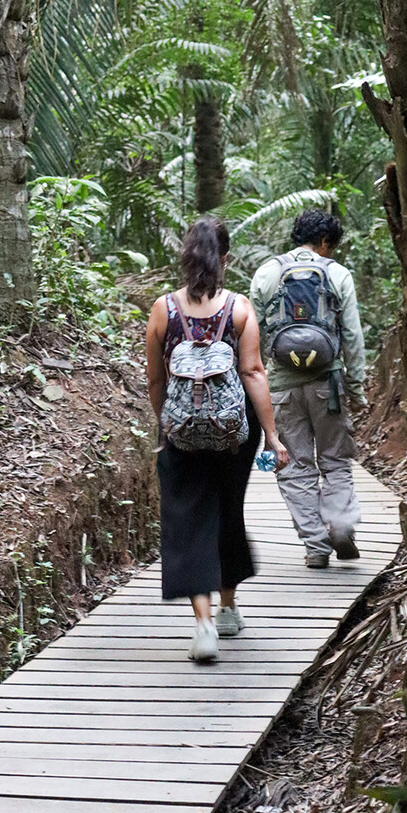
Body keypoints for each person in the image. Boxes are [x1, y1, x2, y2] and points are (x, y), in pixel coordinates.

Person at [146, 217, 288, 663]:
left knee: (188, 520)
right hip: (233, 433)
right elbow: (253, 372)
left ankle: (203, 625)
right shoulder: (239, 309)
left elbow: (155, 378)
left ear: (186, 257)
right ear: (224, 259)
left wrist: (168, 423)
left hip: (181, 433)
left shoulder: (162, 309)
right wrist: (272, 436)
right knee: (228, 510)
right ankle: (228, 607)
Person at [249, 208, 368, 568]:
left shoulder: (266, 273)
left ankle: (316, 546)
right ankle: (342, 526)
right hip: (327, 385)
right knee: (334, 460)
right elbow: (352, 336)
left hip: (281, 387)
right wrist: (356, 388)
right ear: (325, 242)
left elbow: (250, 336)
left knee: (295, 466)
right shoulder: (337, 274)